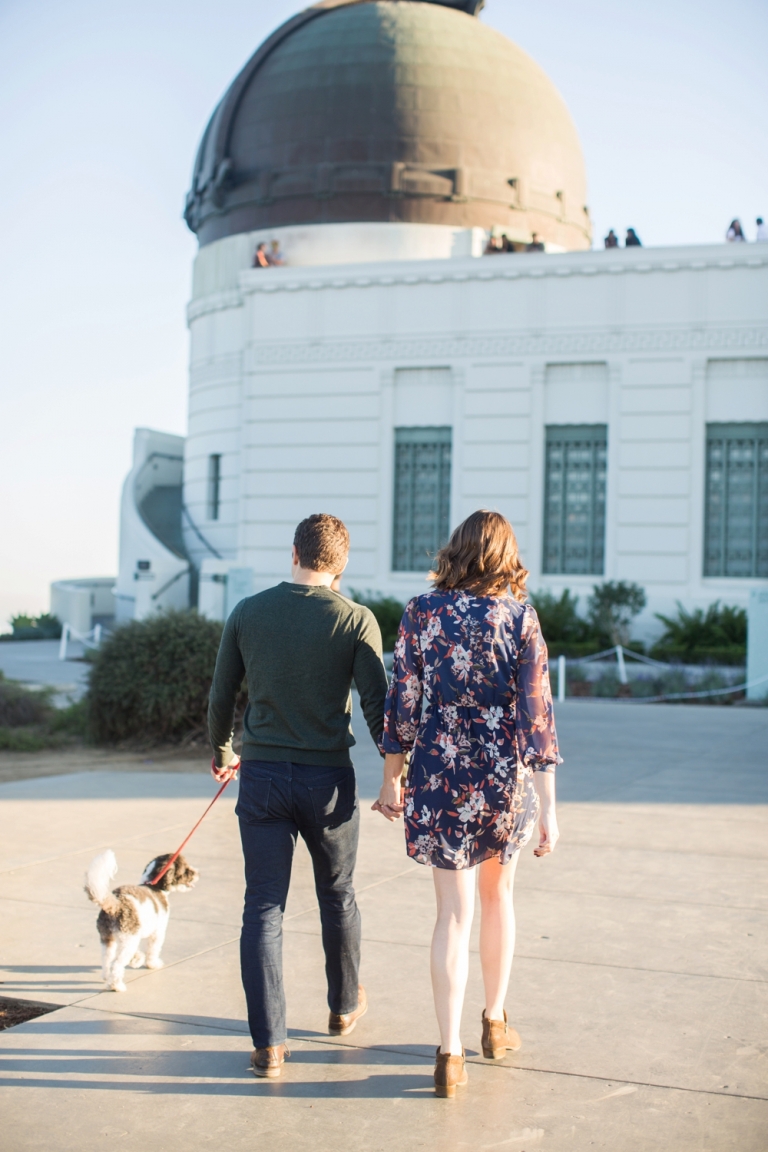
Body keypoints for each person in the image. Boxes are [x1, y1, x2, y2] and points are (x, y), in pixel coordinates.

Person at [374, 510, 560, 1098]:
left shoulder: (421, 613)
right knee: (497, 897)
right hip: (503, 777)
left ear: (456, 549)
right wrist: (550, 808)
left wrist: (390, 779)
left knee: (451, 915)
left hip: (437, 774)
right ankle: (495, 1022)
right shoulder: (520, 616)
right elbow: (538, 717)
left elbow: (401, 704)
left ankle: (449, 1053)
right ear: (505, 555)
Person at [208, 514, 388, 1079]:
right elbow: (379, 714)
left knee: (263, 906)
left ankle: (269, 1045)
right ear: (342, 564)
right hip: (327, 782)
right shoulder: (357, 620)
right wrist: (400, 773)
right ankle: (342, 1008)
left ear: (294, 553)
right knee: (338, 894)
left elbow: (221, 695)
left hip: (261, 777)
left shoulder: (248, 612)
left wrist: (223, 752)